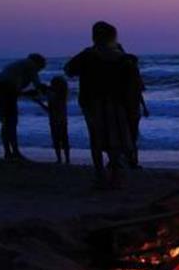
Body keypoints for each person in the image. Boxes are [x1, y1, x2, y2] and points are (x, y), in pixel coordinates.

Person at [65, 21, 133, 188]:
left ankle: (100, 175)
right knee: (115, 139)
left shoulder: (88, 55)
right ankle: (116, 176)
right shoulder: (121, 57)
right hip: (116, 102)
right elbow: (131, 82)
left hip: (92, 102)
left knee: (96, 139)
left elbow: (69, 69)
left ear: (95, 37)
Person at [0, 53, 48, 161]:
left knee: (6, 122)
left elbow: (16, 91)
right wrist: (48, 92)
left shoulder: (21, 65)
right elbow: (38, 85)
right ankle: (15, 152)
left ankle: (8, 152)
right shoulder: (31, 65)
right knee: (11, 121)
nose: (39, 71)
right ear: (38, 63)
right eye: (41, 68)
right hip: (5, 89)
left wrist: (32, 94)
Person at [124, 54, 149, 169]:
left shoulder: (127, 77)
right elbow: (139, 94)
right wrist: (144, 108)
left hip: (129, 109)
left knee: (128, 134)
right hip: (133, 109)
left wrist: (144, 107)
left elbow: (139, 94)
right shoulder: (135, 76)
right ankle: (132, 160)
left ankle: (131, 160)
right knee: (133, 135)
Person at [44, 76, 70, 164]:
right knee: (65, 139)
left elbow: (50, 109)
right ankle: (67, 159)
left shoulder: (52, 95)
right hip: (63, 119)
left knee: (56, 140)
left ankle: (59, 159)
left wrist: (38, 102)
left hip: (54, 120)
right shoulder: (63, 96)